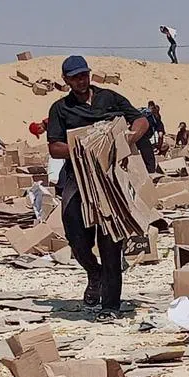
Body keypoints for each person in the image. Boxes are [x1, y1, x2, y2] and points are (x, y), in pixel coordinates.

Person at [46, 56, 150, 320]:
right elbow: (54, 147)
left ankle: (110, 305)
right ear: (66, 80)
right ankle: (94, 272)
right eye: (74, 77)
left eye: (84, 75)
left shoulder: (110, 98)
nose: (81, 80)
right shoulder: (60, 108)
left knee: (111, 237)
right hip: (78, 177)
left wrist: (129, 137)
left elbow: (140, 121)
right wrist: (82, 150)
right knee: (76, 235)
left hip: (111, 177)